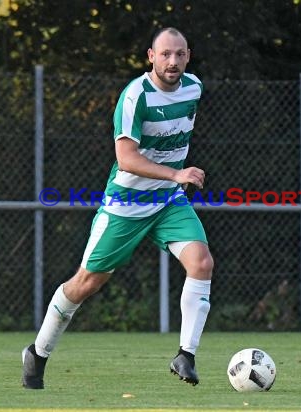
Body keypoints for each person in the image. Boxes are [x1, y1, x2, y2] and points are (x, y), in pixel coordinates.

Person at [22, 27, 214, 389]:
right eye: (165, 54)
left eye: (180, 54)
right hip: (126, 204)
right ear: (150, 56)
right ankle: (38, 352)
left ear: (188, 56)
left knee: (201, 262)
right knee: (85, 283)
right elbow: (125, 158)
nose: (173, 61)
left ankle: (185, 355)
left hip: (168, 201)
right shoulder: (134, 97)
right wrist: (177, 172)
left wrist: (172, 179)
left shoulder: (194, 87)